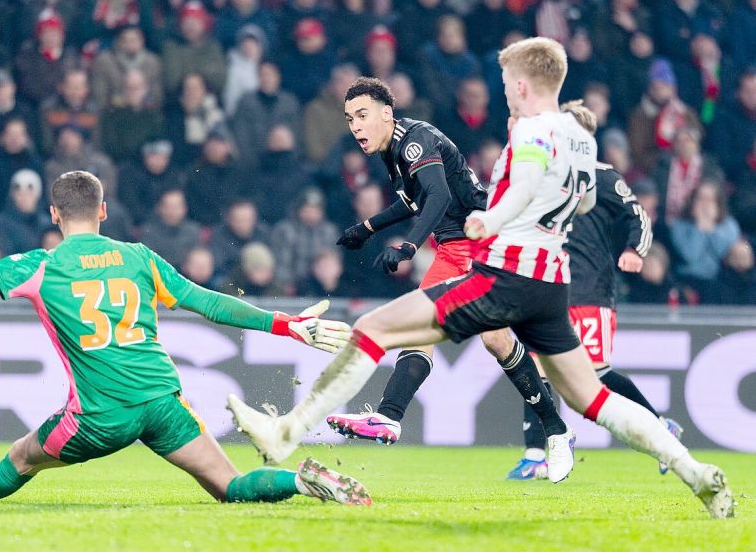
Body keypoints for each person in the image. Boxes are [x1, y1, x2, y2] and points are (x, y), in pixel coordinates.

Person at [227, 38, 734, 519]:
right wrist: (372, 227)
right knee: (592, 397)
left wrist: (490, 220)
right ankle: (693, 469)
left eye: (509, 80)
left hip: (502, 272)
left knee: (375, 328)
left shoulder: (531, 132)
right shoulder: (579, 141)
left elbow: (520, 184)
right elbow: (579, 202)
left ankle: (293, 434)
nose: (507, 89)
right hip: (550, 282)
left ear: (523, 84)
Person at [0, 171, 369, 506]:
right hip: (163, 401)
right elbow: (210, 302)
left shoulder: (42, 266)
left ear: (54, 215)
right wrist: (286, 324)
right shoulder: (139, 256)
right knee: (230, 487)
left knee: (22, 457)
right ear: (104, 212)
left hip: (99, 417)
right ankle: (299, 480)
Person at [317, 77, 571, 482]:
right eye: (349, 119)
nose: (355, 126)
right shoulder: (392, 150)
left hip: (485, 241)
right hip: (454, 249)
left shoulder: (414, 141)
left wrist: (409, 247)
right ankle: (388, 418)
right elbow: (413, 199)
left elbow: (438, 197)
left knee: (494, 339)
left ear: (387, 113)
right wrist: (367, 227)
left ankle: (556, 432)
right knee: (419, 331)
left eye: (363, 115)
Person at [506, 101, 682, 480]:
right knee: (534, 366)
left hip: (589, 291)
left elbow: (637, 215)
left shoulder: (602, 176)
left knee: (594, 376)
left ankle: (659, 426)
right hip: (547, 286)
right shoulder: (544, 174)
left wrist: (635, 249)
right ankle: (537, 452)